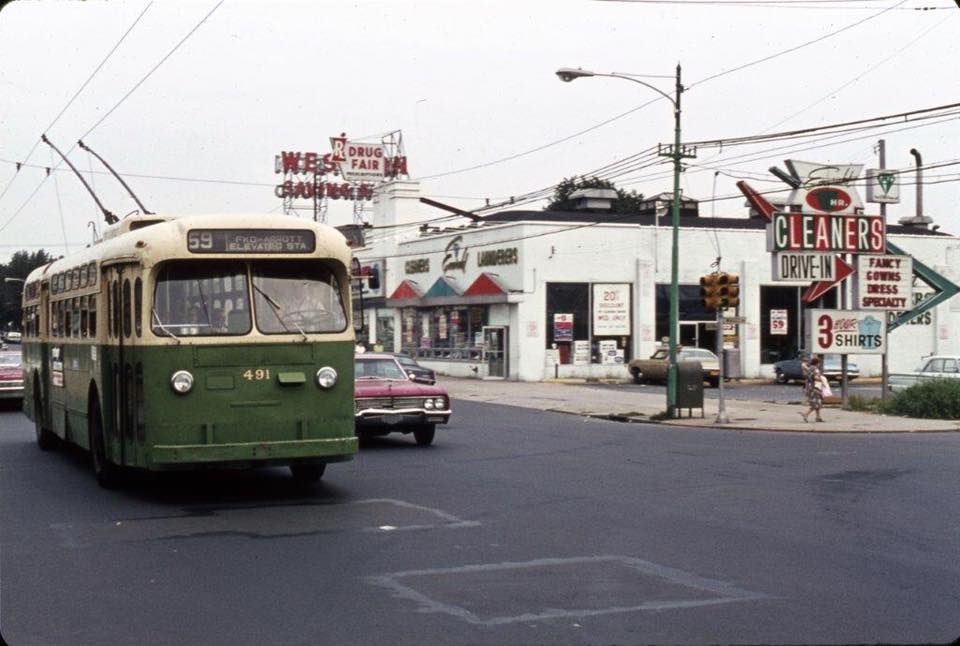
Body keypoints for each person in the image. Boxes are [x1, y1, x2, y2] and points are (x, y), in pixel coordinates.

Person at [801, 356, 824, 422]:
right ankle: (806, 414)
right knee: (816, 403)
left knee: (818, 402)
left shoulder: (809, 368)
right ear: (817, 363)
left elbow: (807, 377)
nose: (819, 364)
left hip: (810, 387)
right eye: (819, 363)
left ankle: (818, 417)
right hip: (815, 387)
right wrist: (821, 379)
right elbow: (815, 377)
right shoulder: (815, 369)